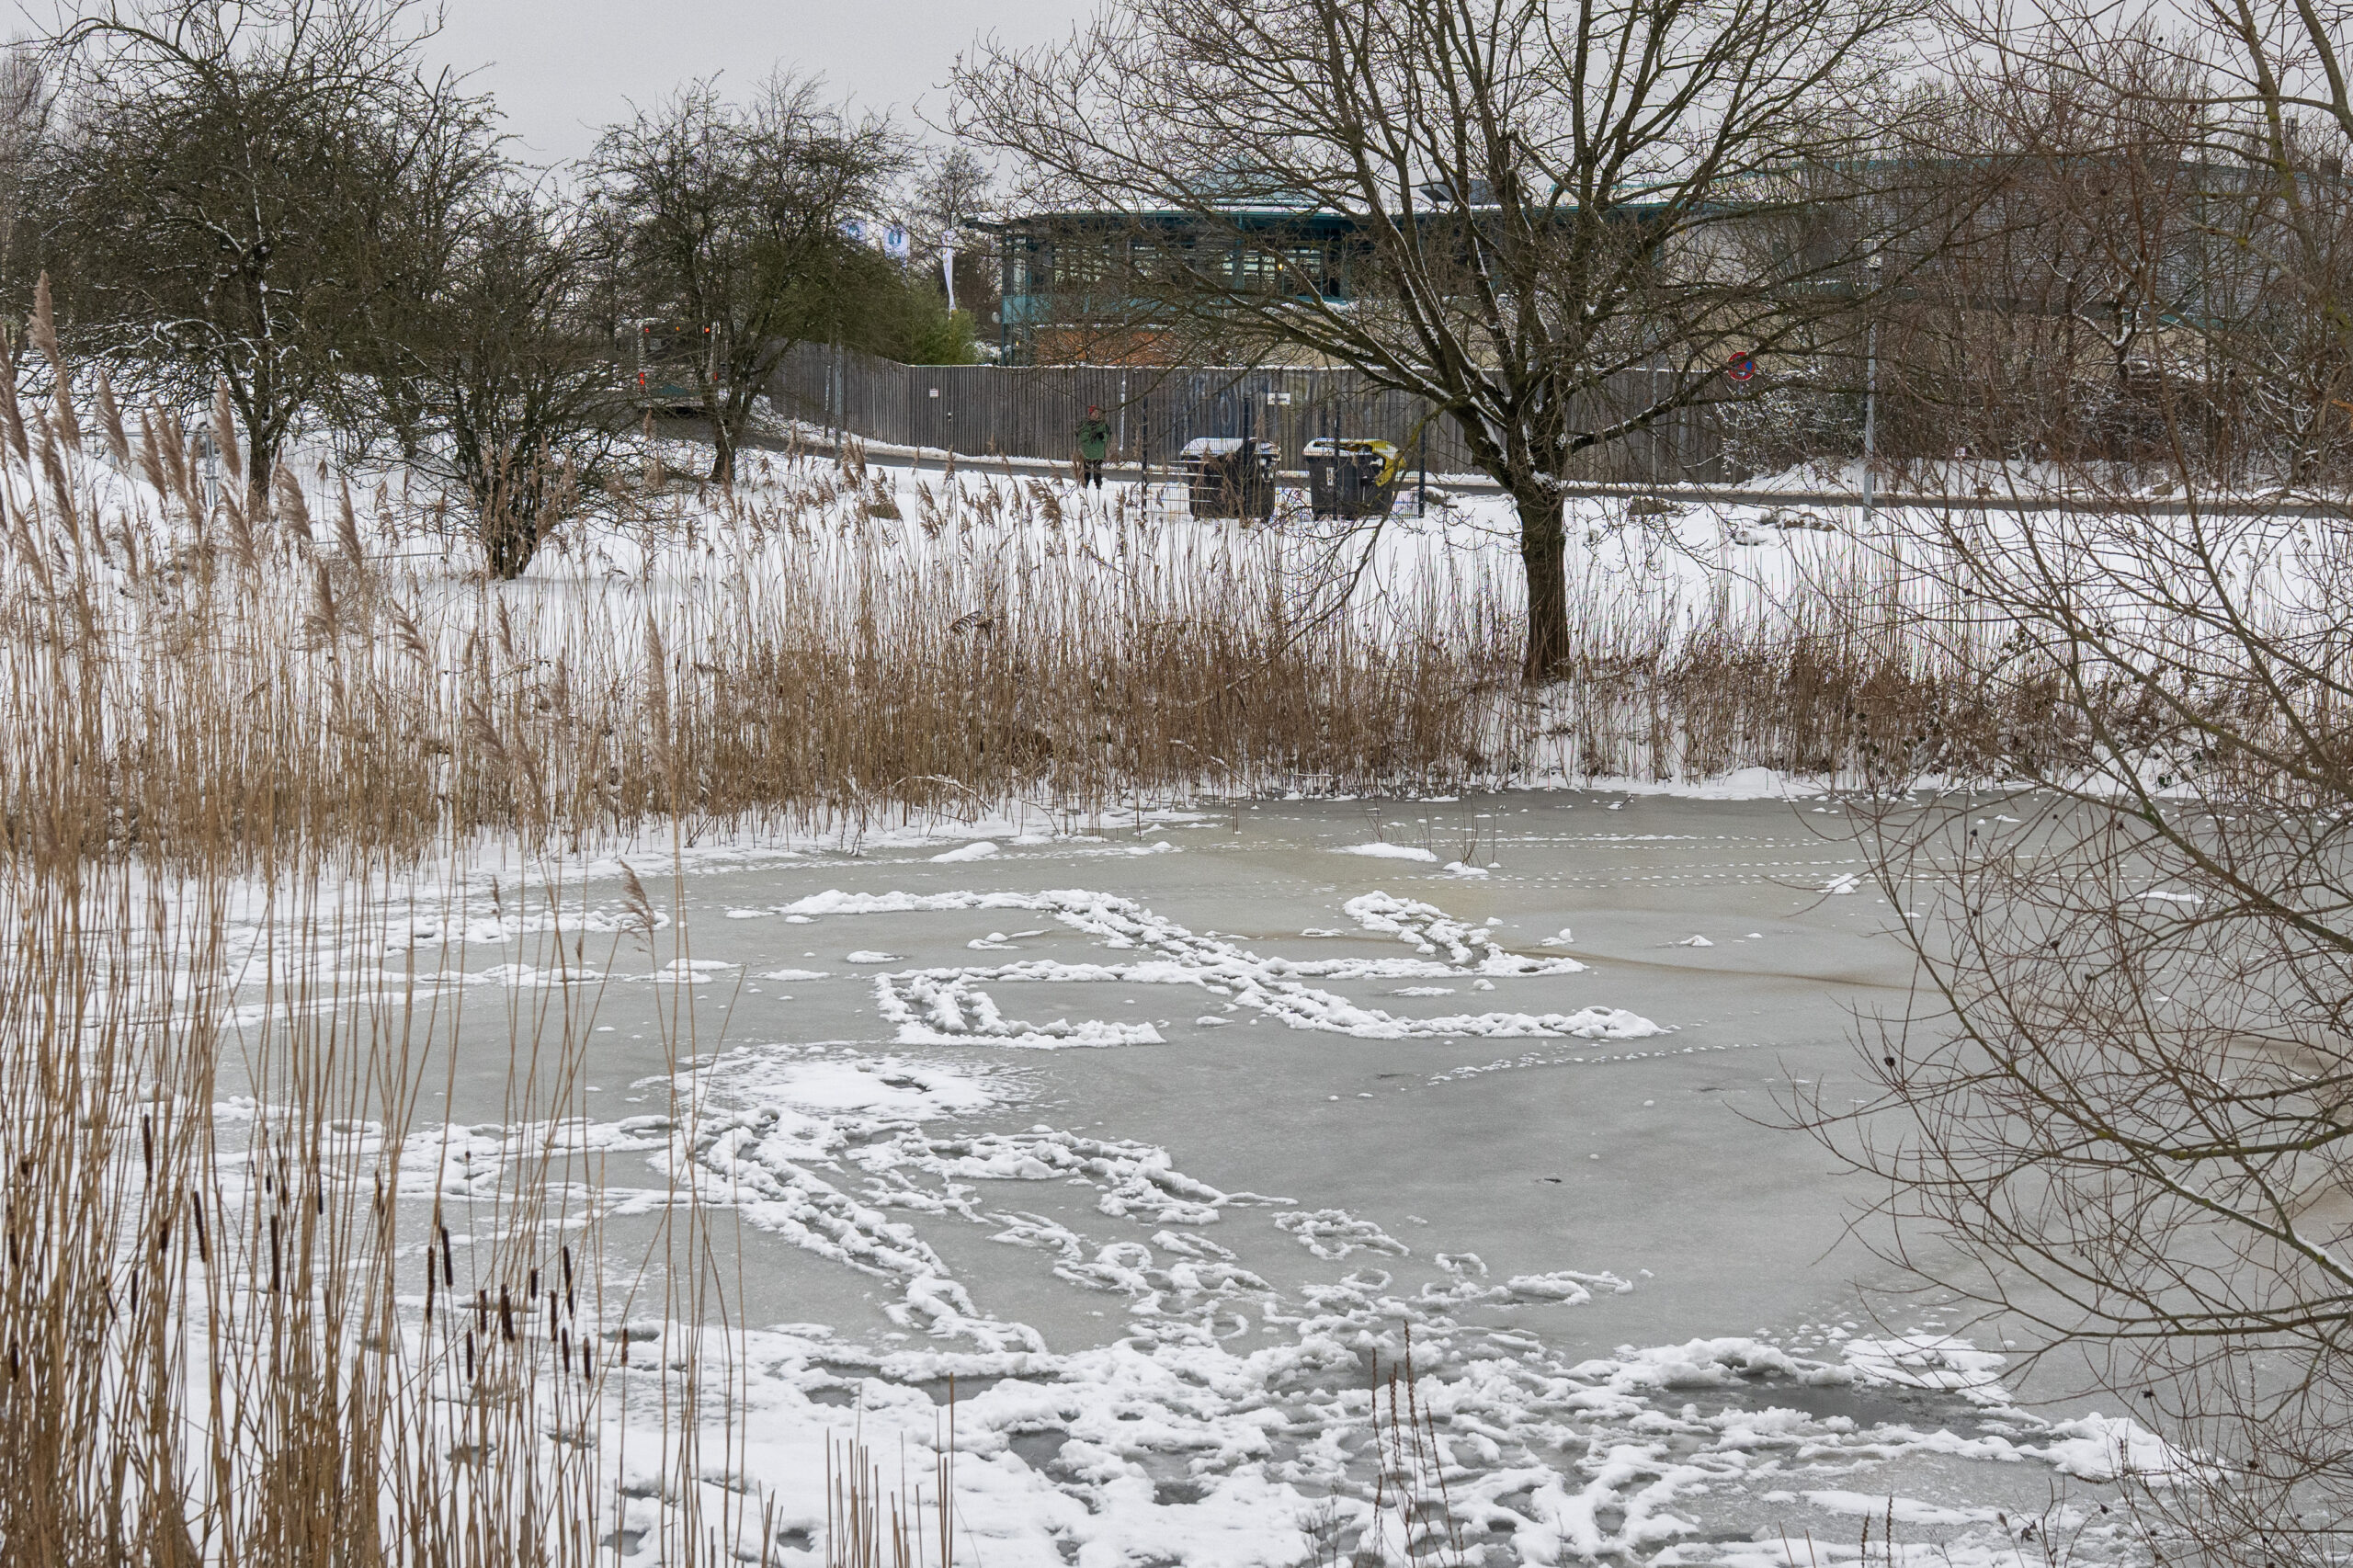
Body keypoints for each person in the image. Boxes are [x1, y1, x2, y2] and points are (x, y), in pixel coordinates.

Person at [1075, 405, 1110, 489]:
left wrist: (1103, 436)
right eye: (1094, 413)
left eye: (1097, 413)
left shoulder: (1102, 424)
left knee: (1097, 471)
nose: (1096, 415)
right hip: (1087, 451)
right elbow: (1079, 434)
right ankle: (1085, 486)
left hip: (1098, 452)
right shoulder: (1084, 424)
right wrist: (1090, 435)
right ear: (1090, 413)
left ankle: (1098, 486)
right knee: (1086, 470)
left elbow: (1108, 435)